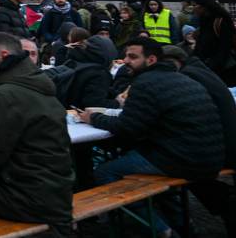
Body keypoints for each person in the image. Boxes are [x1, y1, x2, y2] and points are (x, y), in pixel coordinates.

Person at [79, 39, 224, 237]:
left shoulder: (145, 83)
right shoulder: (180, 78)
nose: (125, 61)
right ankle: (184, 225)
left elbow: (127, 129)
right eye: (125, 56)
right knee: (154, 173)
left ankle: (162, 230)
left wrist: (93, 117)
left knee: (105, 171)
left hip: (185, 159)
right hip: (210, 156)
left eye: (133, 56)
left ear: (151, 59)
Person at [0, 33, 72, 233]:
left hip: (27, 198)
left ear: (3, 55)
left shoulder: (7, 94)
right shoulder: (34, 84)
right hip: (54, 192)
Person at [161, 45, 236, 236]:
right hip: (235, 142)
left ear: (174, 63)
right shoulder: (200, 70)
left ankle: (225, 200)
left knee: (169, 162)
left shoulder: (188, 77)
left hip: (225, 148)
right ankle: (227, 199)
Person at [191, 0, 236, 85]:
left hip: (224, 70)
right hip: (208, 67)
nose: (192, 8)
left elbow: (224, 48)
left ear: (203, 6)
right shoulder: (204, 20)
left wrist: (213, 66)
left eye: (194, 5)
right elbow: (200, 44)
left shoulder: (221, 21)